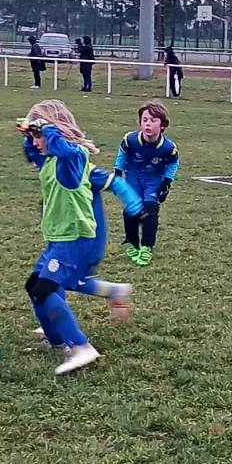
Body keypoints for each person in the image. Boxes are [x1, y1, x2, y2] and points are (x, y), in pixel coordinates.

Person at [20, 128, 143, 339]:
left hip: (85, 238)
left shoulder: (82, 167)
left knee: (64, 280)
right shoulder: (54, 162)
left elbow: (115, 182)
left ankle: (112, 293)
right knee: (55, 279)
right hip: (66, 235)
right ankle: (60, 320)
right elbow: (34, 154)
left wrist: (135, 207)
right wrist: (28, 133)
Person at [17, 99, 102, 374]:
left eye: (39, 135)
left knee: (45, 289)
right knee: (34, 286)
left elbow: (65, 151)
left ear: (54, 131)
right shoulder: (51, 159)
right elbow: (34, 153)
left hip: (74, 237)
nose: (36, 142)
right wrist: (29, 134)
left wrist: (48, 130)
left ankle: (81, 347)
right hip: (59, 238)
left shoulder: (73, 157)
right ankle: (56, 340)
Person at [114, 101, 179, 266]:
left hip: (153, 180)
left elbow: (173, 163)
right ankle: (132, 243)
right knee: (131, 210)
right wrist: (118, 172)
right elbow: (122, 153)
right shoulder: (130, 139)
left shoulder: (168, 147)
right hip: (133, 178)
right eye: (144, 120)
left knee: (150, 211)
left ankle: (146, 247)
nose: (147, 124)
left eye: (152, 120)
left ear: (162, 125)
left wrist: (167, 181)